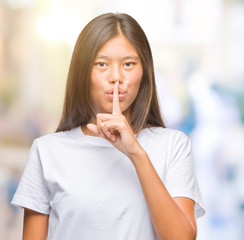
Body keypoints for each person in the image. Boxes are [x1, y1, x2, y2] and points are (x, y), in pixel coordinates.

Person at [11, 12, 205, 240]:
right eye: (102, 64)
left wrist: (136, 153)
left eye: (129, 64)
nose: (116, 77)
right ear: (83, 72)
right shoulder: (47, 151)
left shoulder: (173, 146)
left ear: (145, 72)